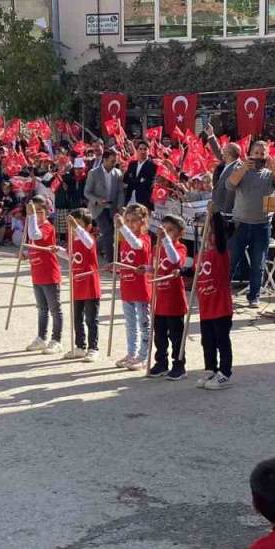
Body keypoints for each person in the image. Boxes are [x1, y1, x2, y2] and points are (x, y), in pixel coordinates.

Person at [227, 141, 275, 308]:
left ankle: (254, 296)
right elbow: (230, 185)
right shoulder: (240, 168)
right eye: (256, 153)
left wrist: (274, 168)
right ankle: (223, 294)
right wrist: (243, 169)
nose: (259, 156)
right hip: (240, 223)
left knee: (258, 263)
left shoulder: (270, 174)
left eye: (263, 154)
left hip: (262, 225)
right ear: (250, 154)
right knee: (231, 261)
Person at [195, 210, 234, 390]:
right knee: (207, 341)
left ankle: (224, 373)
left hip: (220, 308)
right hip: (206, 308)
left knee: (221, 341)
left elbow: (219, 237)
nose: (208, 237)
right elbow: (194, 274)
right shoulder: (200, 256)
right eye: (205, 233)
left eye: (211, 233)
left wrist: (214, 215)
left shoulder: (221, 253)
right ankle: (210, 369)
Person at [22, 198, 64, 355]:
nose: (36, 214)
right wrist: (25, 254)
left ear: (46, 213)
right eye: (34, 211)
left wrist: (31, 216)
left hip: (49, 273)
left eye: (40, 211)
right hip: (37, 274)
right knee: (41, 309)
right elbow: (36, 247)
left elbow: (36, 236)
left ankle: (56, 340)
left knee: (55, 309)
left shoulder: (47, 227)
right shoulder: (33, 226)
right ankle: (41, 337)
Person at [149, 214, 188, 381]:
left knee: (176, 336)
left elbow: (175, 260)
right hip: (159, 300)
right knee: (159, 336)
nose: (165, 233)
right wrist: (146, 269)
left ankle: (179, 365)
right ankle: (161, 362)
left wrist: (165, 239)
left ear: (180, 233)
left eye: (170, 230)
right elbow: (156, 268)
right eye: (164, 229)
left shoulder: (180, 248)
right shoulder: (156, 248)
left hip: (174, 301)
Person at [114, 204, 152, 371]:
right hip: (127, 286)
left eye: (134, 220)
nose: (130, 224)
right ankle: (131, 353)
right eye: (128, 221)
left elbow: (136, 245)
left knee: (144, 324)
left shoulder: (145, 239)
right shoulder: (124, 241)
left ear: (142, 221)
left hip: (140, 288)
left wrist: (122, 227)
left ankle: (143, 356)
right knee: (130, 324)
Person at [64, 210, 102, 363]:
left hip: (89, 284)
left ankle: (93, 348)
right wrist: (57, 250)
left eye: (78, 224)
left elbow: (87, 242)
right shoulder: (73, 241)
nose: (74, 227)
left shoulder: (89, 239)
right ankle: (80, 346)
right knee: (77, 318)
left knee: (91, 319)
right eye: (73, 224)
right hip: (77, 284)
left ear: (88, 226)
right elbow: (71, 256)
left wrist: (76, 227)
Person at [84, 150, 124, 263]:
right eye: (112, 161)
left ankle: (94, 247)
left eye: (115, 162)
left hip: (113, 208)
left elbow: (120, 191)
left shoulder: (118, 173)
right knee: (107, 232)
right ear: (104, 160)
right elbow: (87, 192)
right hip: (98, 209)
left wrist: (120, 206)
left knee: (112, 233)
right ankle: (111, 261)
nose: (114, 164)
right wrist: (97, 200)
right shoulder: (93, 173)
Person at [123, 140, 156, 209]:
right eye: (140, 149)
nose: (142, 151)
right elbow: (126, 179)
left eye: (145, 149)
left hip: (143, 201)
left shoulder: (152, 165)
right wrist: (139, 180)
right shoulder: (132, 164)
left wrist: (132, 180)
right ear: (137, 150)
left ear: (149, 151)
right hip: (130, 199)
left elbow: (148, 183)